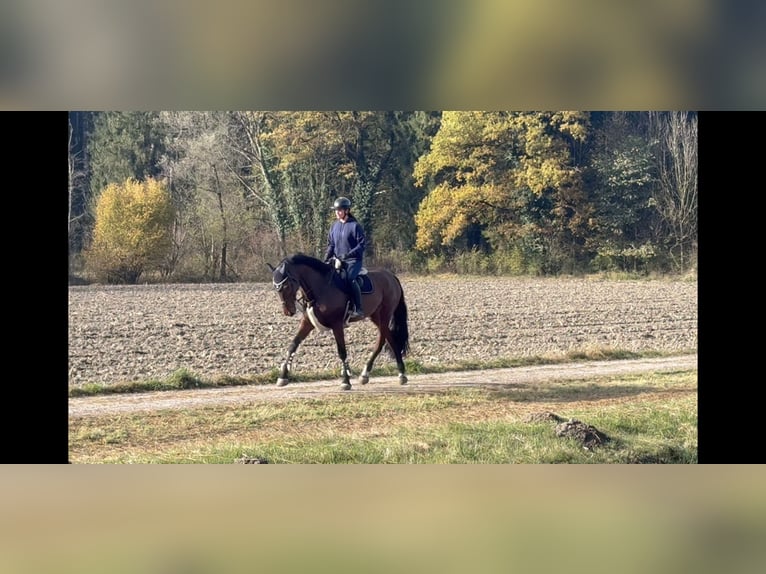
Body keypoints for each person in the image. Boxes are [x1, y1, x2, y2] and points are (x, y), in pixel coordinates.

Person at [324, 196, 366, 319]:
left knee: (350, 279)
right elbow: (331, 245)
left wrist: (348, 254)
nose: (337, 212)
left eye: (340, 210)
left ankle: (358, 308)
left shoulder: (355, 226)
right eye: (336, 210)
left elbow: (361, 245)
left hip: (353, 261)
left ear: (346, 211)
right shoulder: (334, 226)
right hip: (337, 260)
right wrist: (326, 259)